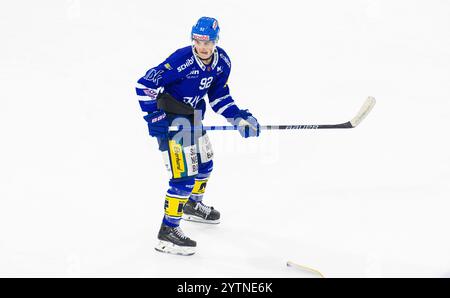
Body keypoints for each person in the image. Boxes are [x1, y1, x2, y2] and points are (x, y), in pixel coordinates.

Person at [135, 17, 260, 256]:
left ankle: (192, 205)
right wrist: (155, 118)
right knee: (183, 177)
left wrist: (237, 117)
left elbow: (219, 96)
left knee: (205, 163)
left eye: (208, 41)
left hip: (192, 117)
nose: (202, 46)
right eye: (198, 41)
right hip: (175, 120)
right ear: (193, 39)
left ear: (216, 41)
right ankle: (167, 231)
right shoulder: (181, 60)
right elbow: (144, 86)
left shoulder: (222, 62)